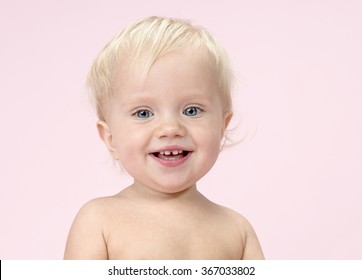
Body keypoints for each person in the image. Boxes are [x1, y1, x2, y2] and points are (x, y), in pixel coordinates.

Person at [64, 16, 264, 260]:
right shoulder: (99, 222)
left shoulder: (237, 231)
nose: (170, 128)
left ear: (222, 127)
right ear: (110, 138)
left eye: (192, 110)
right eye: (144, 113)